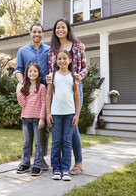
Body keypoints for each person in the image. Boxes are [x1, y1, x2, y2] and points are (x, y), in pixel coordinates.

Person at [47, 18, 88, 175]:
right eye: (57, 28)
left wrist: (79, 76)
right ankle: (59, 164)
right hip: (57, 89)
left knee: (73, 124)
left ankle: (78, 163)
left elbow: (85, 67)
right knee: (59, 131)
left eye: (63, 27)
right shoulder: (52, 50)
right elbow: (50, 69)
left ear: (67, 29)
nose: (60, 30)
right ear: (55, 31)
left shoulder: (77, 46)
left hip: (74, 87)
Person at [15, 23, 50, 170]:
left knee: (44, 128)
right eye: (34, 32)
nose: (37, 34)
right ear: (30, 33)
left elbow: (63, 58)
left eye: (39, 32)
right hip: (29, 94)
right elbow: (18, 70)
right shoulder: (22, 51)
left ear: (43, 34)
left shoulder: (49, 50)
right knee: (28, 134)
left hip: (46, 92)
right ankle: (26, 160)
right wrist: (23, 85)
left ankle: (40, 159)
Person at [46, 50, 80, 181]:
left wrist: (77, 114)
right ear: (56, 61)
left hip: (69, 114)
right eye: (59, 58)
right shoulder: (52, 76)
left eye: (65, 58)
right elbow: (49, 95)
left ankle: (65, 169)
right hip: (56, 114)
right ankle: (56, 169)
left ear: (70, 60)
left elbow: (77, 96)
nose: (62, 61)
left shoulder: (74, 77)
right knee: (56, 142)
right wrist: (48, 113)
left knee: (66, 142)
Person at [16, 62, 46, 176]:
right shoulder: (25, 87)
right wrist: (18, 91)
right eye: (30, 71)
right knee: (26, 143)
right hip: (26, 118)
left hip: (37, 119)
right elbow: (23, 104)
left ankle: (37, 165)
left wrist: (42, 118)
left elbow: (44, 104)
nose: (32, 73)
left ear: (38, 73)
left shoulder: (42, 87)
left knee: (38, 143)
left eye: (35, 71)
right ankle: (25, 163)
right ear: (27, 74)